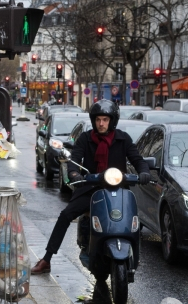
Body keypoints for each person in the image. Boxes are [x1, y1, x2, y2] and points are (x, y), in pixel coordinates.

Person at [30, 99, 151, 275]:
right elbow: (74, 158)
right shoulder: (85, 138)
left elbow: (137, 159)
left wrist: (144, 172)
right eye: (98, 120)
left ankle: (134, 258)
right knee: (66, 215)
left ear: (112, 121)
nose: (101, 123)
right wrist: (73, 173)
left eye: (105, 120)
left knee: (133, 220)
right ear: (94, 120)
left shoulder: (123, 139)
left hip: (118, 189)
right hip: (90, 188)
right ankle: (47, 259)